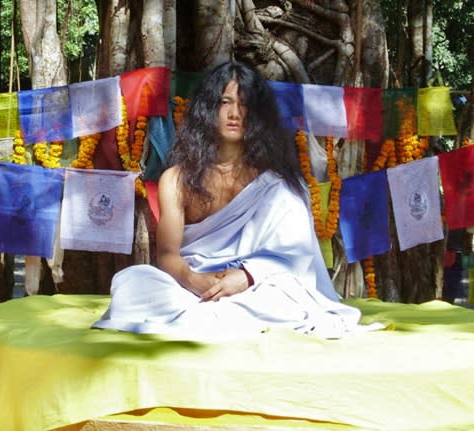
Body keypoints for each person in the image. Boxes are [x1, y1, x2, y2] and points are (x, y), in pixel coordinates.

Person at [92, 61, 362, 338]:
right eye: (225, 102)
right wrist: (193, 280)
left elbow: (295, 256)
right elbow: (167, 255)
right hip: (192, 287)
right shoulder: (175, 178)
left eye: (244, 104)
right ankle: (220, 318)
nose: (235, 113)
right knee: (132, 282)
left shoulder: (278, 185)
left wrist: (245, 277)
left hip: (254, 287)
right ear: (208, 109)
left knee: (286, 295)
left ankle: (205, 319)